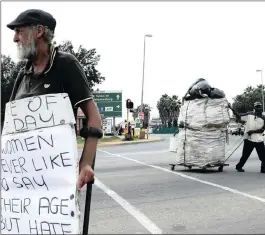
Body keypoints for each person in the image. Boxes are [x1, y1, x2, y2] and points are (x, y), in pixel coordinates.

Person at [6, 9, 102, 189]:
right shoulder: (23, 74)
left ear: (39, 31)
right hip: (22, 179)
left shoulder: (66, 64)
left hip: (57, 180)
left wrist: (86, 162)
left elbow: (94, 118)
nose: (15, 38)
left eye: (20, 31)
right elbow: (10, 128)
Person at [228, 102, 265, 173]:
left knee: (263, 156)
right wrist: (231, 108)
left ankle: (263, 169)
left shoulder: (263, 117)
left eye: (260, 107)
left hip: (259, 140)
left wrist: (252, 131)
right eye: (257, 107)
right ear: (254, 108)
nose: (259, 108)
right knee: (245, 155)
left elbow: (262, 130)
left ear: (261, 108)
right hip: (248, 139)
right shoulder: (249, 114)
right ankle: (239, 166)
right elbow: (238, 115)